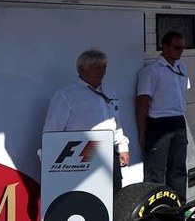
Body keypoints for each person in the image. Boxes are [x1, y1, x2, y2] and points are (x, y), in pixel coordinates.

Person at [43, 49, 130, 191]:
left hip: (109, 152)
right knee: (87, 197)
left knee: (115, 196)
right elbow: (52, 131)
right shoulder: (66, 95)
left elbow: (115, 121)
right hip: (80, 156)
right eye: (97, 67)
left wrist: (123, 147)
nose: (101, 71)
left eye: (104, 67)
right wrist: (49, 158)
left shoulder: (110, 90)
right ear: (82, 69)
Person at [137, 31, 190, 199]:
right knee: (156, 171)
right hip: (159, 123)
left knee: (178, 167)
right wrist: (142, 132)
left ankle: (178, 206)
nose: (180, 51)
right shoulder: (152, 71)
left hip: (178, 121)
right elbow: (142, 102)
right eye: (176, 47)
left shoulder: (182, 67)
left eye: (183, 48)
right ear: (165, 47)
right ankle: (155, 210)